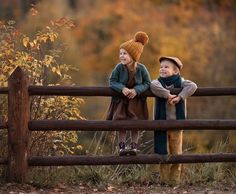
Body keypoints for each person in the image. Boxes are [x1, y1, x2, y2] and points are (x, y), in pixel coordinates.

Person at [150, 56, 197, 185]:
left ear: (175, 71)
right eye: (161, 67)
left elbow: (193, 86)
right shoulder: (157, 82)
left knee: (176, 153)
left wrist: (180, 97)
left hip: (177, 124)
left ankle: (174, 180)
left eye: (166, 67)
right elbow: (153, 86)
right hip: (161, 124)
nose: (162, 69)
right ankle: (164, 180)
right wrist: (168, 95)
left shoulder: (181, 82)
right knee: (162, 153)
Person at [106, 31, 151, 156]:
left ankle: (134, 147)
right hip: (121, 101)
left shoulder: (141, 69)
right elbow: (112, 81)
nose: (121, 56)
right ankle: (121, 147)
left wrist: (137, 90)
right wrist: (122, 88)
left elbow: (148, 83)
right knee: (121, 123)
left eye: (125, 53)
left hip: (136, 101)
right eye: (120, 53)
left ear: (133, 55)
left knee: (135, 123)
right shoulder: (119, 68)